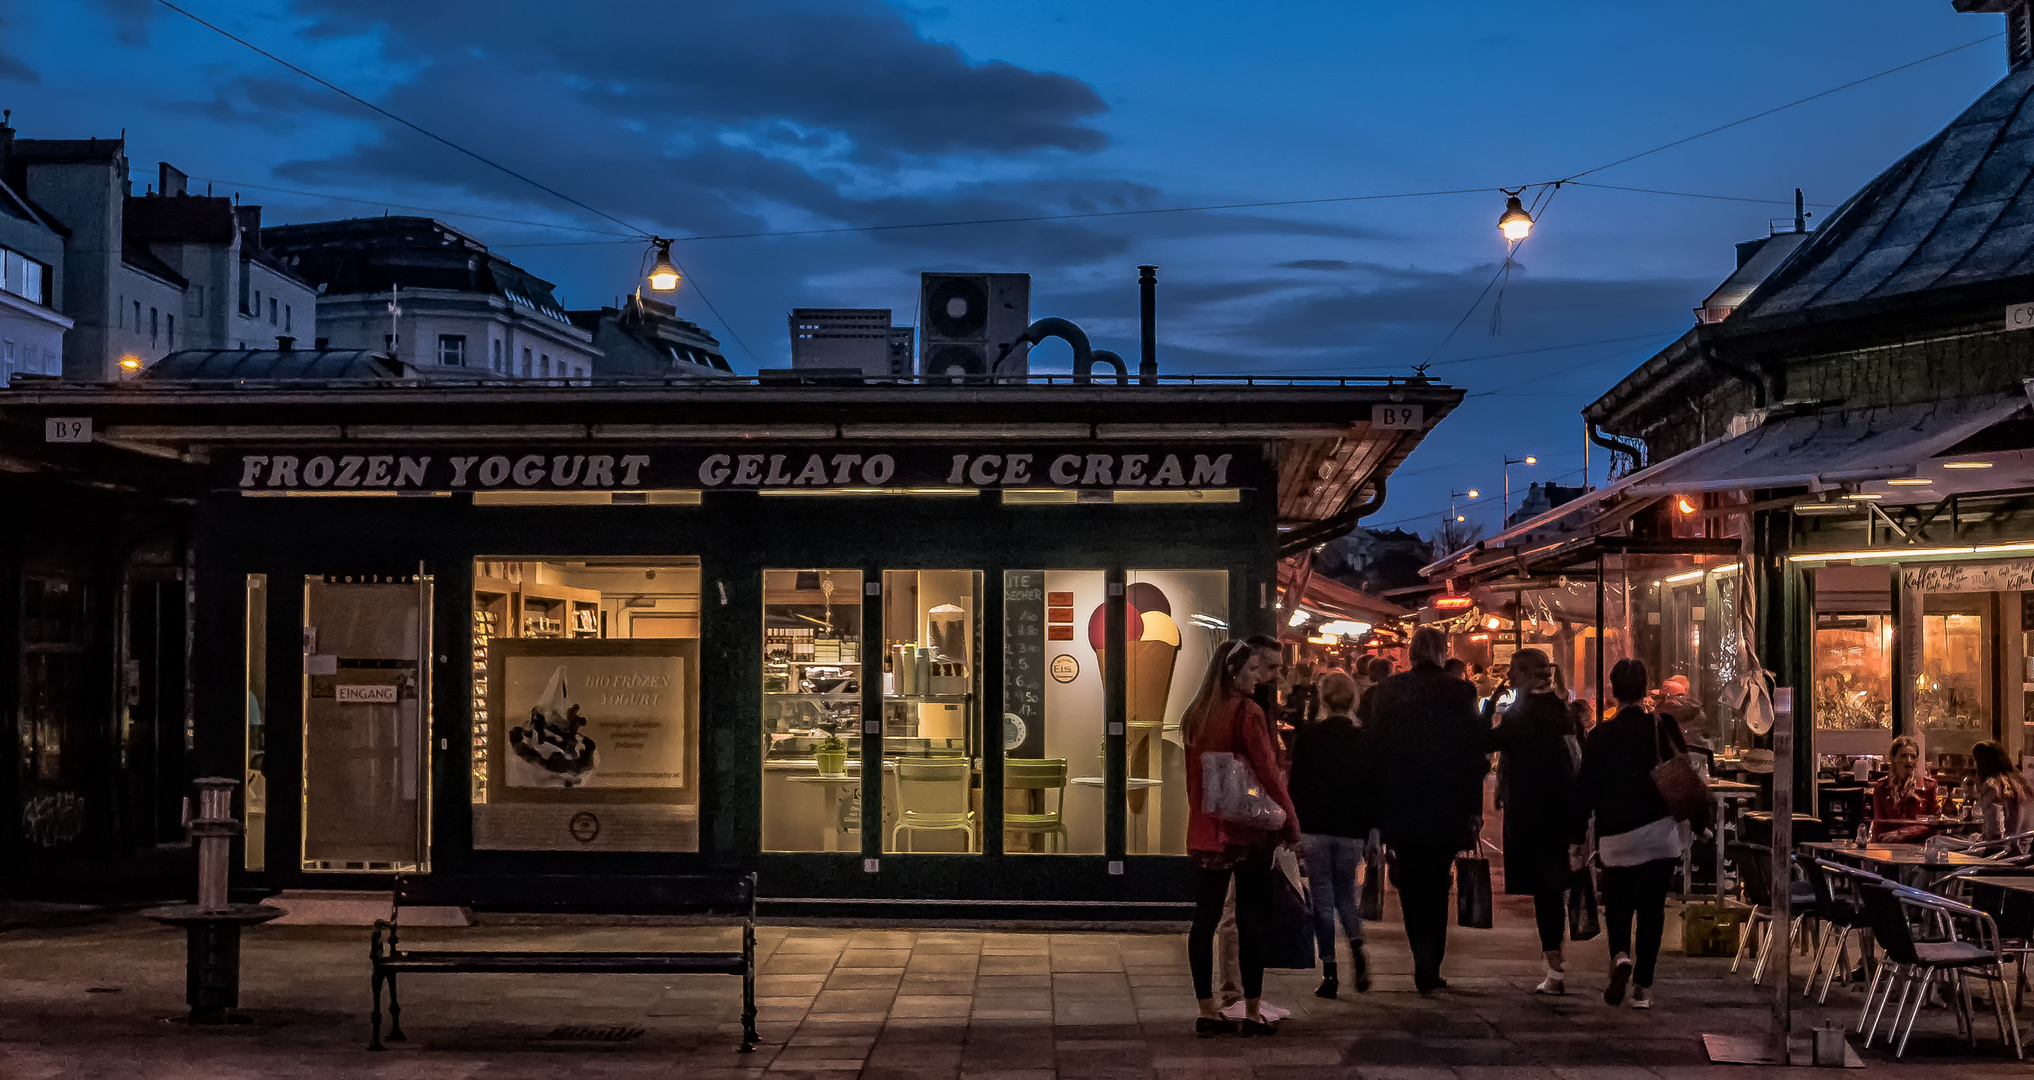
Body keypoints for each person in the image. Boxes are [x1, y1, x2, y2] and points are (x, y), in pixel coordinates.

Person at [1184, 637, 1301, 1036]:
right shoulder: (1247, 713)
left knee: (1205, 919)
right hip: (1246, 833)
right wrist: (1289, 820)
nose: (1257, 678)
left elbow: (1193, 780)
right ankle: (1251, 1011)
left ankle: (1206, 1008)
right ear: (1233, 672)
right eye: (1252, 670)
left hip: (1205, 831)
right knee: (1252, 919)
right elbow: (1267, 772)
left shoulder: (1196, 714)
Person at [1369, 626, 1490, 994]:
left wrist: (1376, 813)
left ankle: (1419, 952)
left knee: (1409, 880)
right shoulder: (1461, 691)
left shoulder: (1388, 691)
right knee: (1438, 880)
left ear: (1410, 651)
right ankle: (1431, 960)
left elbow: (1376, 751)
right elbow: (1473, 753)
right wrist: (1473, 807)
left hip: (1401, 801)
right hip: (1446, 802)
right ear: (1441, 652)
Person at [1576, 658, 1688, 1010]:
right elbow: (1684, 769)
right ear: (1645, 690)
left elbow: (1586, 789)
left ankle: (1620, 955)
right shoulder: (1663, 725)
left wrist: (1578, 835)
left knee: (1619, 905)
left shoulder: (1600, 736)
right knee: (1653, 910)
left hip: (1617, 837)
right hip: (1660, 832)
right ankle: (1643, 987)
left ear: (1612, 692)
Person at [1491, 647, 1583, 995]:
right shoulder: (1562, 711)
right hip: (1558, 810)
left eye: (1513, 671)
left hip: (1529, 810)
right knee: (1551, 888)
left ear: (1526, 674)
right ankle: (1554, 964)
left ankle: (1555, 966)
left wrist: (1490, 707)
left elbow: (1488, 741)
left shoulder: (1521, 715)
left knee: (1545, 890)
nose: (1508, 677)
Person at [1288, 669, 1378, 998]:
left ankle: (1329, 972)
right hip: (1351, 829)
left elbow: (1296, 785)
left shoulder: (1310, 736)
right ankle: (1356, 946)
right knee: (1346, 896)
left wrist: (1293, 826)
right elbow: (1373, 789)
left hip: (1314, 827)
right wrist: (1373, 832)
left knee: (1321, 899)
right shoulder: (1365, 739)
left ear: (1321, 700)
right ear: (1353, 699)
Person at [1867, 735, 1939, 843]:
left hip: (1919, 847)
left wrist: (1903, 834)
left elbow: (1935, 824)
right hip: (1889, 847)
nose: (1908, 761)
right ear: (1894, 758)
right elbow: (1879, 823)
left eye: (1913, 757)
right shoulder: (1882, 787)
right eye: (1903, 756)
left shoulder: (1928, 786)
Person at [1973, 739, 2034, 850]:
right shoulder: (2021, 783)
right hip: (2024, 852)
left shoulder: (1992, 785)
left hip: (2001, 854)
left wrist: (1977, 841)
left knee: (1937, 842)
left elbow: (1995, 834)